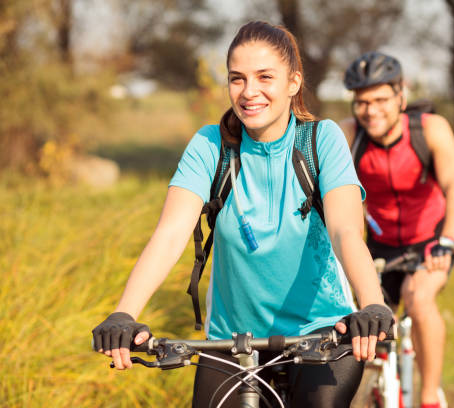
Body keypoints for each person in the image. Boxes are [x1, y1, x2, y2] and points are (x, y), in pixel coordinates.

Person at [92, 22, 393, 408]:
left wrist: (372, 304)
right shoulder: (209, 146)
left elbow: (346, 231)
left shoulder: (322, 139)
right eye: (237, 79)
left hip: (321, 330)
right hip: (234, 339)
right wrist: (123, 313)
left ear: (293, 82)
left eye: (265, 77)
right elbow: (169, 236)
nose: (249, 92)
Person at [340, 51, 454, 408]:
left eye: (381, 99)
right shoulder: (348, 137)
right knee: (364, 318)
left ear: (402, 96)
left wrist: (448, 241)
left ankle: (428, 397)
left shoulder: (429, 129)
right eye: (362, 102)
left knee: (419, 297)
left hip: (429, 243)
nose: (371, 110)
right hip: (378, 247)